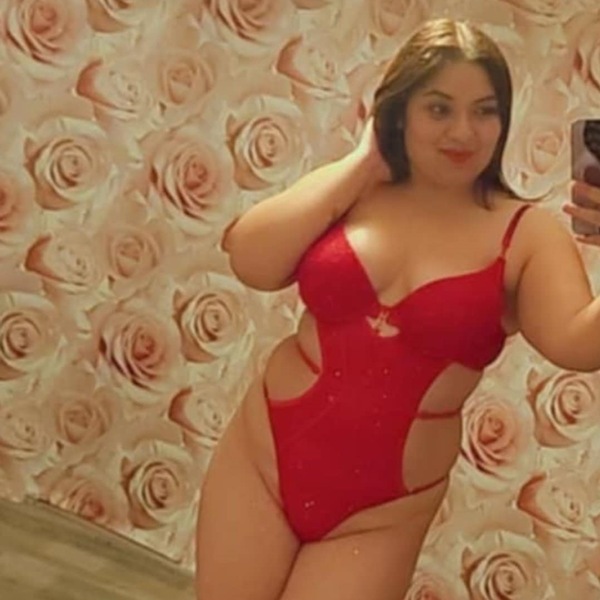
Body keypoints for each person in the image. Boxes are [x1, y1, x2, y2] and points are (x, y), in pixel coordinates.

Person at [195, 17, 600, 600]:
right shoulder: (357, 189)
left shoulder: (526, 234)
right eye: (439, 108)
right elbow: (251, 261)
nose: (463, 131)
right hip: (261, 463)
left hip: (379, 515)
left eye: (485, 111)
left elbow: (578, 345)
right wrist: (363, 160)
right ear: (400, 109)